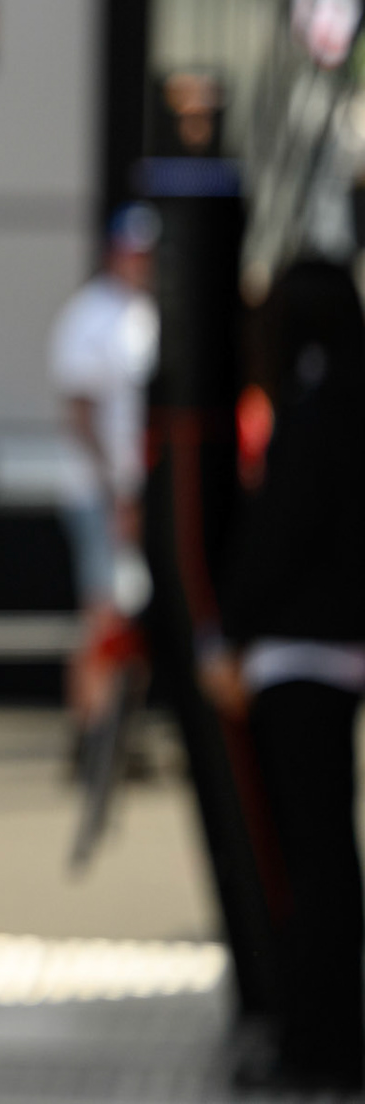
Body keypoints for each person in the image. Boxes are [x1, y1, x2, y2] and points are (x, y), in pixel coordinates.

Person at [201, 257, 365, 1094]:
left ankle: (318, 1042)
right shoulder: (352, 405)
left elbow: (278, 541)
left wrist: (225, 630)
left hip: (297, 658)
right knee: (329, 847)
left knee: (312, 857)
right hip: (340, 653)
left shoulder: (310, 416)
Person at [48, 204, 160, 730]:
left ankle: (119, 730)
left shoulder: (154, 313)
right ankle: (89, 727)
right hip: (101, 491)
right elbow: (79, 412)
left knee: (134, 609)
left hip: (142, 491)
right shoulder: (90, 314)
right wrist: (115, 487)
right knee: (102, 610)